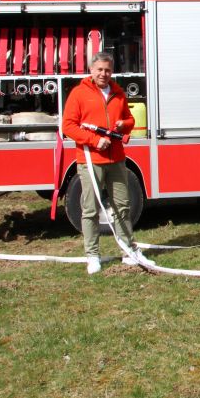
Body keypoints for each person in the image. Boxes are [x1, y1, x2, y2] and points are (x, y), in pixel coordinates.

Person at [62, 52, 153, 273]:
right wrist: (94, 140)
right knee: (90, 209)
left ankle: (129, 251)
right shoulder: (79, 94)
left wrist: (124, 124)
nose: (104, 74)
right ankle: (92, 255)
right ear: (92, 70)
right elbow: (68, 126)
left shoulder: (118, 92)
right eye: (100, 69)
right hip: (90, 160)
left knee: (122, 206)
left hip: (117, 159)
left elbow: (130, 120)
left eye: (108, 70)